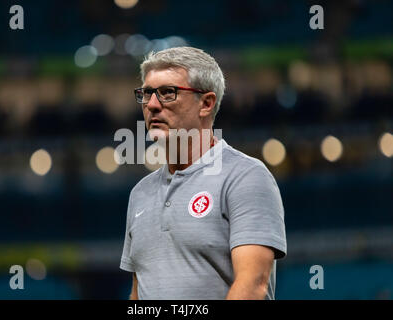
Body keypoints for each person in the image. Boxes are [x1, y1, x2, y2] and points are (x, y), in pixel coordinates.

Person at [120, 46, 286, 300]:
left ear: (206, 103)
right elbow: (137, 293)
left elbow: (253, 285)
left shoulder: (245, 176)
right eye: (146, 93)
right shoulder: (140, 193)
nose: (152, 105)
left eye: (167, 93)